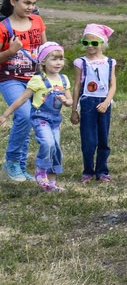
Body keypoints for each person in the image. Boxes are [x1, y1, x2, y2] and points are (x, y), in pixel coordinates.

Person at [0, 42, 72, 192]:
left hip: (54, 120)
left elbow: (70, 100)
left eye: (61, 59)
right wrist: (5, 115)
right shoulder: (38, 79)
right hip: (40, 119)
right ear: (43, 61)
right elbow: (22, 99)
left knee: (56, 148)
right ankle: (41, 171)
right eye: (54, 59)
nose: (58, 62)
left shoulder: (64, 79)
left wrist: (67, 102)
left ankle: (51, 182)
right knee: (47, 143)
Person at [1, 0, 48, 182]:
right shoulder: (3, 27)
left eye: (33, 3)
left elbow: (46, 48)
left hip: (35, 79)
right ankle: (11, 161)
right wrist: (11, 51)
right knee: (24, 115)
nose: (30, 7)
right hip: (10, 78)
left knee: (29, 118)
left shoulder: (37, 21)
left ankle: (20, 167)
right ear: (13, 1)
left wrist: (50, 70)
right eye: (26, 2)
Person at [70, 24, 117, 183]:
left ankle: (102, 171)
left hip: (104, 102)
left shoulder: (110, 62)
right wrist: (74, 109)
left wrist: (106, 102)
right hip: (88, 101)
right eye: (86, 42)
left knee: (103, 138)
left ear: (102, 43)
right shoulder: (80, 62)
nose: (90, 46)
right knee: (88, 139)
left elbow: (113, 85)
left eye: (94, 43)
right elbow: (77, 86)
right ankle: (88, 170)